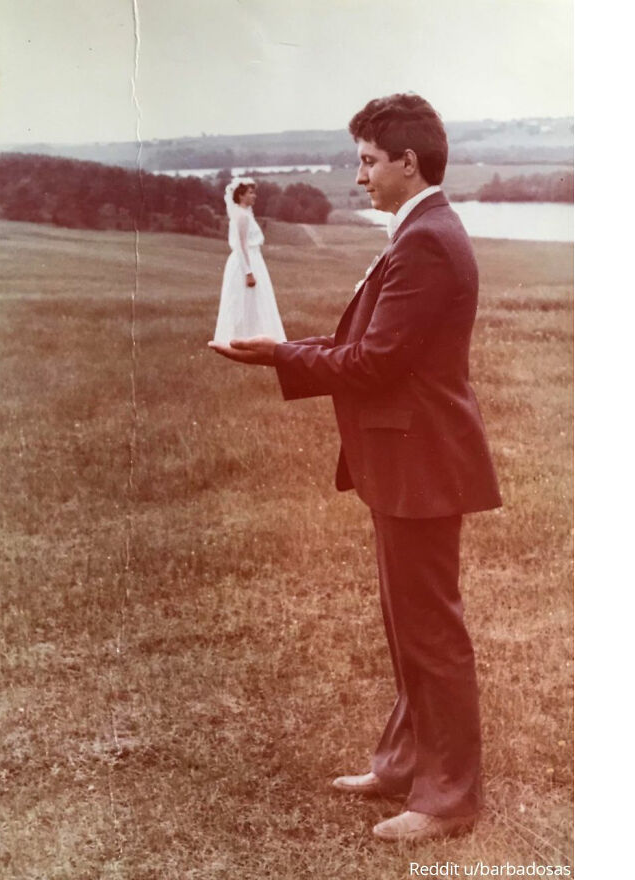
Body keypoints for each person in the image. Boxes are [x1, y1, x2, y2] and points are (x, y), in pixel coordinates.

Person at [208, 93, 501, 845]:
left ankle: (448, 797)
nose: (359, 174)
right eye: (359, 159)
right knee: (410, 626)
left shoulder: (427, 240)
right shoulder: (420, 230)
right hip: (406, 460)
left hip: (422, 462)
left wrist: (277, 353)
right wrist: (287, 349)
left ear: (410, 162)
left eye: (369, 160)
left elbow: (376, 360)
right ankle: (406, 766)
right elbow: (379, 348)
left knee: (431, 632)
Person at [213, 177, 286, 346]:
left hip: (254, 260)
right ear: (240, 196)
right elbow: (241, 246)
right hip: (245, 263)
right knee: (241, 300)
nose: (254, 196)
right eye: (251, 193)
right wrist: (248, 272)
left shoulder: (245, 214)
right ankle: (240, 339)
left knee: (255, 301)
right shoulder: (241, 216)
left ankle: (255, 338)